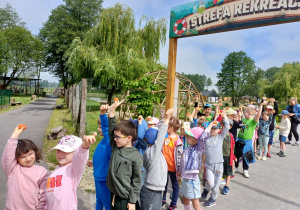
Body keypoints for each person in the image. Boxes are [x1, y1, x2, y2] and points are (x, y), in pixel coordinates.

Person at [1, 125, 50, 210]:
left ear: (35, 152)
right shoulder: (13, 169)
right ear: (16, 158)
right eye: (23, 157)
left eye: (30, 154)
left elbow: (44, 194)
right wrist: (14, 137)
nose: (28, 159)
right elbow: (7, 157)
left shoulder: (42, 172)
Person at [107, 99, 143, 210]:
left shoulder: (136, 156)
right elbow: (112, 127)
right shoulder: (115, 146)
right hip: (113, 195)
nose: (115, 138)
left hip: (125, 200)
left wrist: (132, 201)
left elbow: (136, 180)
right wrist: (112, 110)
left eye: (118, 136)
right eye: (115, 136)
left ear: (129, 138)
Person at [45, 133, 96, 209]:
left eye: (65, 151)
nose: (60, 154)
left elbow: (80, 157)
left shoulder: (73, 169)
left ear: (75, 153)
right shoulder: (57, 169)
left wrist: (84, 146)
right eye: (58, 150)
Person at [140, 108, 174, 210]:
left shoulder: (151, 151)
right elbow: (161, 134)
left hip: (155, 190)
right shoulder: (152, 153)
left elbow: (158, 134)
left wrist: (164, 119)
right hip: (151, 191)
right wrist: (167, 119)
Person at [201, 112, 229, 208]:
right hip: (208, 165)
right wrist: (210, 125)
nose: (213, 130)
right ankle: (206, 190)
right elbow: (203, 135)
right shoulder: (206, 138)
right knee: (210, 183)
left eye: (215, 128)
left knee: (216, 184)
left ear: (219, 130)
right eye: (212, 128)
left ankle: (213, 199)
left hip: (219, 165)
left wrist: (225, 117)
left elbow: (227, 128)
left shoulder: (220, 137)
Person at [87, 104, 112, 210]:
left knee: (107, 204)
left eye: (100, 127)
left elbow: (107, 128)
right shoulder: (102, 142)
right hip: (98, 176)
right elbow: (103, 157)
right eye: (98, 126)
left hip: (104, 178)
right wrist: (94, 162)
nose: (98, 129)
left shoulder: (109, 141)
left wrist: (102, 114)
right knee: (99, 201)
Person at [234, 101, 267, 178]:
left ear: (249, 113)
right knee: (237, 155)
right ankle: (235, 167)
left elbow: (258, 115)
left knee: (246, 156)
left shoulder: (253, 121)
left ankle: (245, 169)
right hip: (239, 140)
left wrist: (261, 105)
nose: (243, 114)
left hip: (247, 142)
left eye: (244, 113)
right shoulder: (244, 120)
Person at [179, 126, 205, 210]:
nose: (186, 137)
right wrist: (180, 171)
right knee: (185, 198)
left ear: (196, 140)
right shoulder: (188, 148)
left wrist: (211, 126)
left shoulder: (198, 150)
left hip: (192, 181)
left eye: (189, 137)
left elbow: (204, 138)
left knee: (196, 205)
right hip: (186, 179)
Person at [162, 116, 183, 210]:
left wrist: (180, 169)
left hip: (174, 168)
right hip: (163, 166)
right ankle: (163, 199)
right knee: (163, 184)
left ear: (171, 128)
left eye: (167, 126)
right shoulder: (165, 138)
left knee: (175, 185)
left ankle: (173, 203)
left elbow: (180, 157)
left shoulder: (178, 141)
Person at [221, 119, 236, 195]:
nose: (224, 126)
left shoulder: (231, 136)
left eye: (227, 125)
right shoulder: (219, 133)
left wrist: (233, 157)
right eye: (223, 124)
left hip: (228, 156)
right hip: (220, 156)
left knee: (228, 172)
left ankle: (227, 185)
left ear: (230, 127)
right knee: (219, 171)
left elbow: (232, 147)